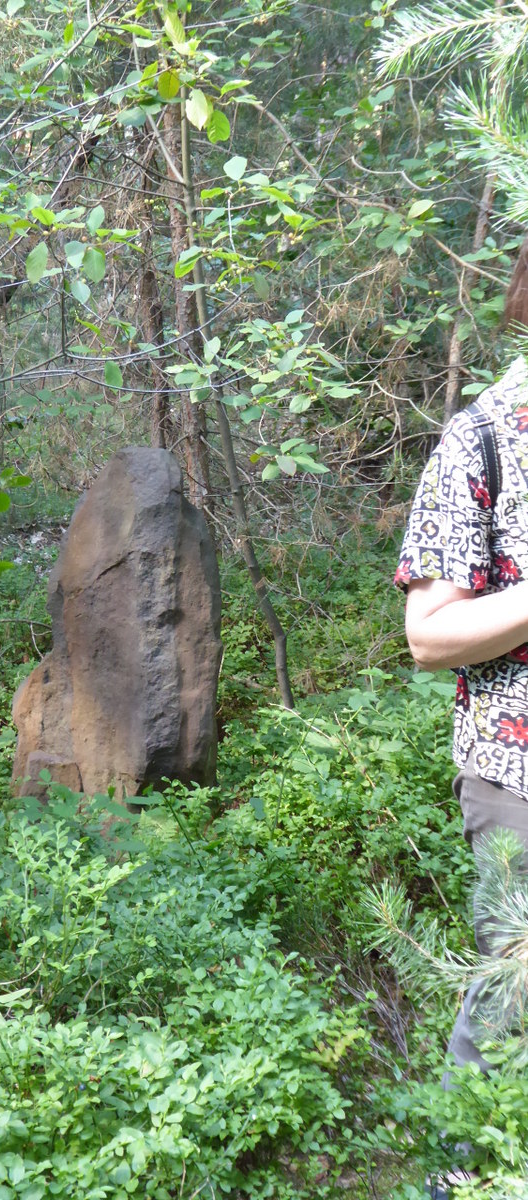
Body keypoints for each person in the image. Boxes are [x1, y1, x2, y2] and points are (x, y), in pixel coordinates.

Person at [397, 315, 528, 1194]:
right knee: (511, 996)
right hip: (518, 780)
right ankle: (464, 1176)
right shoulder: (481, 436)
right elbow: (429, 634)